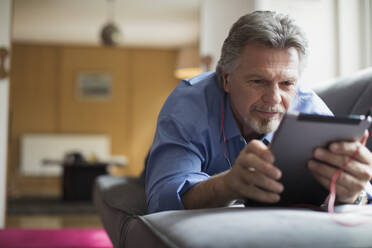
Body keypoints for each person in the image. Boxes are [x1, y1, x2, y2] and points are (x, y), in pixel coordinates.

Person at [145, 10, 372, 213]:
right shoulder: (188, 105)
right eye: (257, 81)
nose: (274, 98)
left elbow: (364, 196)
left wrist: (352, 192)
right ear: (226, 79)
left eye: (286, 83)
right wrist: (227, 185)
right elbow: (162, 198)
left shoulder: (310, 108)